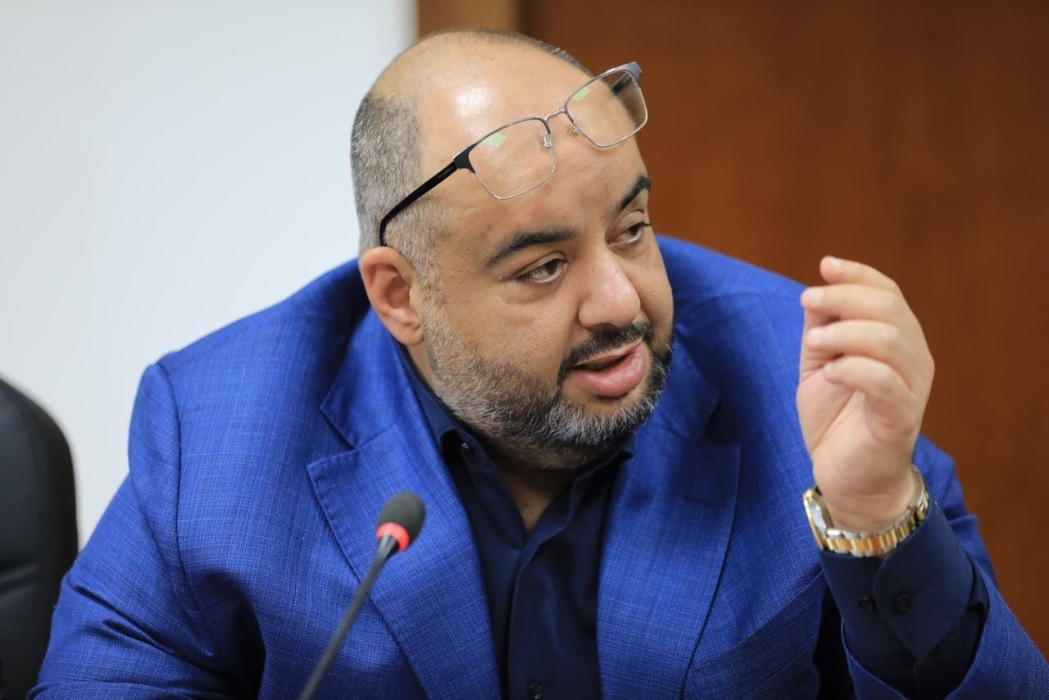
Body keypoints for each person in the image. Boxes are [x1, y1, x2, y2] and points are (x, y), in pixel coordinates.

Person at [33, 29, 1048, 699]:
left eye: (632, 228)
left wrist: (873, 516)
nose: (620, 301)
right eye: (543, 266)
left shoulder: (801, 379)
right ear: (399, 295)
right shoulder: (219, 429)